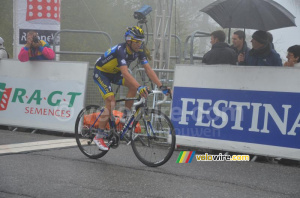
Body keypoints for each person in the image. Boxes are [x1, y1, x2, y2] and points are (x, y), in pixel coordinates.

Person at [92, 26, 171, 150]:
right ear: (129, 40)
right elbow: (125, 73)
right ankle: (98, 136)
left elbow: (148, 70)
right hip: (102, 73)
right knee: (111, 101)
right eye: (137, 41)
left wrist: (161, 86)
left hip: (114, 73)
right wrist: (139, 87)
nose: (139, 44)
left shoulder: (139, 51)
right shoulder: (120, 50)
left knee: (133, 86)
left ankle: (125, 115)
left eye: (141, 41)